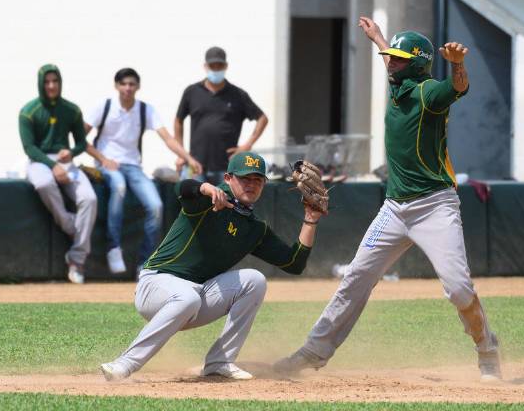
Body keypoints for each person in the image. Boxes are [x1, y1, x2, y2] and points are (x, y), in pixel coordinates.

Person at [273, 17, 502, 381]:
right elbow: (393, 61)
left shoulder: (428, 93)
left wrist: (458, 65)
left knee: (458, 289)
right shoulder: (400, 85)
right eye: (390, 57)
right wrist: (379, 38)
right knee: (356, 277)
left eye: (399, 58)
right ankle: (312, 352)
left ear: (417, 65)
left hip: (435, 206)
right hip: (394, 209)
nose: (390, 62)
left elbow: (458, 87)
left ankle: (487, 348)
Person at [100, 152, 322, 381]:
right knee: (187, 297)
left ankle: (220, 362)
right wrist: (205, 188)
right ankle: (124, 364)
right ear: (228, 178)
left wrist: (311, 219)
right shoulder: (208, 201)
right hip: (156, 285)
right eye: (244, 178)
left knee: (254, 280)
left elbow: (294, 263)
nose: (251, 184)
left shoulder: (254, 229)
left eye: (257, 180)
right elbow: (182, 189)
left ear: (264, 184)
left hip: (197, 296)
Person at [85, 68, 203, 274]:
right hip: (108, 165)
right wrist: (103, 159)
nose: (127, 88)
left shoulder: (145, 109)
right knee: (119, 186)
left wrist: (188, 158)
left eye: (132, 84)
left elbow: (167, 138)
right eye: (123, 84)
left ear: (138, 87)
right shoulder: (104, 107)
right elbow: (80, 137)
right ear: (116, 86)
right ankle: (114, 248)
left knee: (156, 206)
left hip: (134, 166)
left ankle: (145, 262)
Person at [19, 64, 97, 284]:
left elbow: (81, 143)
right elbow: (29, 148)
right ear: (40, 84)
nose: (51, 86)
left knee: (89, 198)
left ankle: (77, 259)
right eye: (47, 82)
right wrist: (52, 166)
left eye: (55, 81)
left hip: (65, 160)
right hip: (39, 161)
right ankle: (71, 226)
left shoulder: (72, 110)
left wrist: (70, 153)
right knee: (44, 184)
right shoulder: (28, 111)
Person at [174, 46, 269, 185]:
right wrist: (182, 154)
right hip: (195, 165)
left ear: (226, 66)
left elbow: (262, 118)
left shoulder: (238, 94)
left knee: (225, 199)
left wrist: (247, 146)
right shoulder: (192, 91)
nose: (216, 69)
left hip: (226, 167)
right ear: (205, 66)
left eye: (219, 65)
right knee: (194, 199)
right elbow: (178, 121)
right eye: (212, 65)